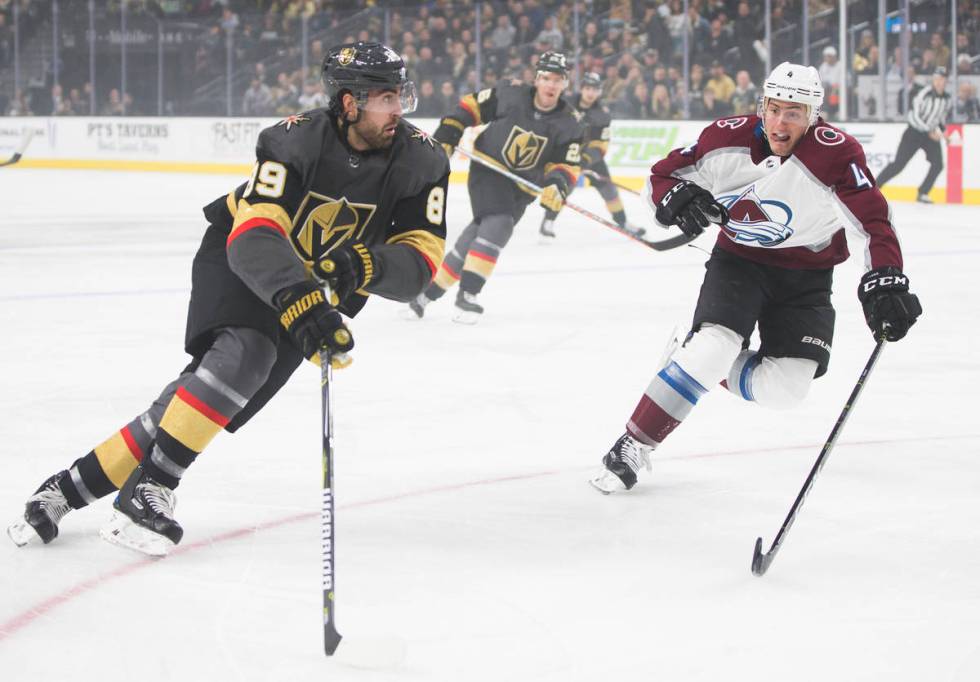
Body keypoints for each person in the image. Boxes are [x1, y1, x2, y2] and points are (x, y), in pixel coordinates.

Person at [8, 42, 449, 556]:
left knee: (204, 400)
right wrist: (301, 300)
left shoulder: (422, 159)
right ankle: (150, 491)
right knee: (246, 355)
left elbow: (421, 263)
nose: (398, 109)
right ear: (348, 102)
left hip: (316, 282)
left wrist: (365, 266)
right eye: (385, 98)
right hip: (243, 259)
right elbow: (256, 234)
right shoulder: (293, 141)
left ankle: (65, 489)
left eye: (401, 95)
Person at [589, 62, 922, 494]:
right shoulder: (724, 139)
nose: (781, 122)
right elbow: (660, 177)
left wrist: (886, 279)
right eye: (774, 108)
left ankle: (687, 363)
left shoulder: (836, 154)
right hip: (740, 262)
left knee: (786, 389)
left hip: (807, 276)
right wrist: (678, 198)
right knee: (715, 345)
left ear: (814, 116)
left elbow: (874, 222)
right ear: (761, 105)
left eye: (795, 113)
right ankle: (635, 442)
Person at [406, 51, 584, 324]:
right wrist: (449, 135)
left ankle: (425, 296)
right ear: (537, 78)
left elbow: (566, 164)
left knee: (477, 234)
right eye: (546, 78)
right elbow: (468, 108)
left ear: (565, 84)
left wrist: (557, 185)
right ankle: (468, 294)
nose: (551, 85)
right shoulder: (510, 94)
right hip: (489, 170)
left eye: (557, 80)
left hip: (523, 189)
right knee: (499, 224)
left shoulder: (570, 122)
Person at [539, 72, 645, 239]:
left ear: (599, 92)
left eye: (594, 90)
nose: (590, 93)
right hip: (565, 155)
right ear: (581, 89)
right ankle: (548, 221)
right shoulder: (565, 103)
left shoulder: (602, 114)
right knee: (564, 188)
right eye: (588, 88)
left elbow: (601, 145)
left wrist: (586, 160)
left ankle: (623, 222)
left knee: (609, 189)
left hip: (590, 158)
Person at [875, 67, 951, 203]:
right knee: (899, 163)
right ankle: (875, 186)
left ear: (946, 81)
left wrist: (945, 134)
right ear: (933, 80)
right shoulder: (923, 93)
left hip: (930, 135)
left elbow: (941, 118)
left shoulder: (946, 98)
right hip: (914, 132)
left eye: (942, 79)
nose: (939, 82)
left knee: (938, 164)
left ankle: (923, 192)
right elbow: (914, 115)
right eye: (937, 79)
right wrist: (929, 131)